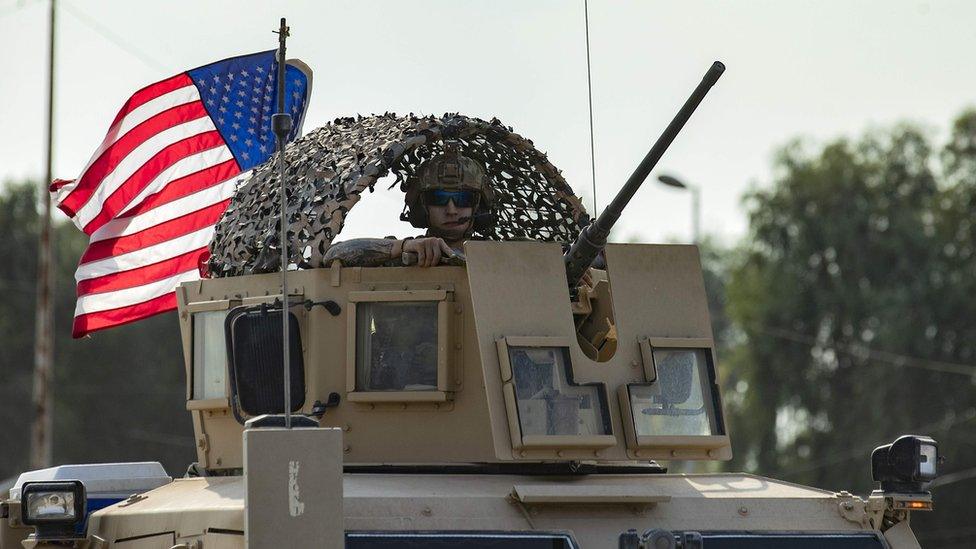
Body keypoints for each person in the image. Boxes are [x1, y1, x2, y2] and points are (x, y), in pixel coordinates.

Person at [323, 141, 494, 267]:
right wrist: (403, 247)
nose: (451, 210)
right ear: (422, 205)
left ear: (477, 205)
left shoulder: (498, 257)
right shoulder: (402, 254)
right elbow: (333, 254)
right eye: (438, 198)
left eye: (463, 199)